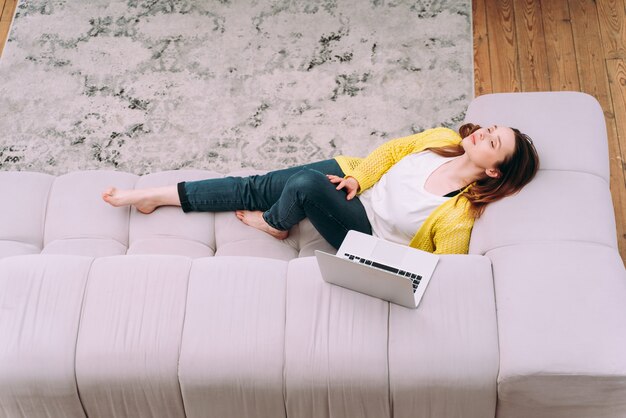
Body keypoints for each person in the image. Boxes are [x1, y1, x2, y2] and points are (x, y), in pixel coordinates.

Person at [102, 124, 539, 254]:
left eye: (493, 142)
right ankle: (156, 196)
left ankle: (277, 224)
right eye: (491, 129)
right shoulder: (440, 138)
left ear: (495, 172)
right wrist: (357, 178)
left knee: (305, 184)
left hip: (366, 232)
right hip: (354, 184)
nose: (483, 134)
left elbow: (442, 273)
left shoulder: (458, 215)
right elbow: (389, 153)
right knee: (256, 184)